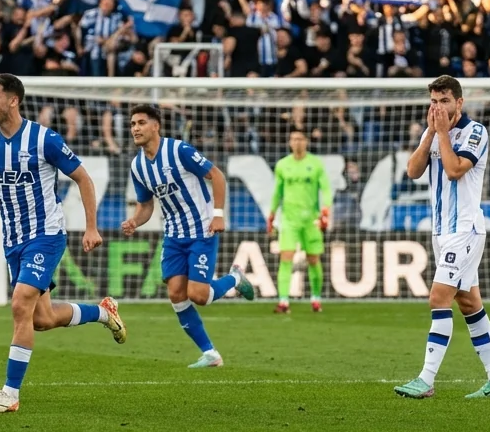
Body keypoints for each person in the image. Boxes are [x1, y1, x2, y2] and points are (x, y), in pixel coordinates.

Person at [0, 73, 125, 413]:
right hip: (12, 239)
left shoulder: (44, 139)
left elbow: (83, 178)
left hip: (45, 234)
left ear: (13, 100)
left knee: (19, 305)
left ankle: (10, 394)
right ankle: (103, 312)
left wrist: (91, 227)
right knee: (41, 319)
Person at [395, 76, 490, 399]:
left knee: (438, 298)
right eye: (433, 101)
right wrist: (432, 132)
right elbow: (413, 171)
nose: (438, 107)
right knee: (469, 302)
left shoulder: (476, 132)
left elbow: (454, 169)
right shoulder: (432, 132)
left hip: (466, 230)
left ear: (459, 102)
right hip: (441, 232)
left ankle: (426, 379)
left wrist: (442, 133)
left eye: (444, 100)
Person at [121, 105, 255, 368]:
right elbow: (146, 205)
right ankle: (210, 354)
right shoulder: (138, 166)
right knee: (176, 294)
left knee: (199, 295)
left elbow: (216, 175)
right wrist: (134, 221)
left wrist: (218, 214)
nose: (135, 128)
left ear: (156, 126)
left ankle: (234, 279)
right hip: (173, 235)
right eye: (132, 124)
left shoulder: (179, 150)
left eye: (141, 122)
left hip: (201, 229)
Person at [267, 130, 333, 314]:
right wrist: (271, 214)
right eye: (293, 139)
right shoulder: (282, 165)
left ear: (306, 141)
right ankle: (283, 301)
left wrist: (326, 210)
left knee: (313, 259)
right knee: (286, 257)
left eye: (300, 139)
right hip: (289, 219)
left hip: (310, 220)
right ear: (289, 142)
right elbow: (277, 192)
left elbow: (326, 189)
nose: (297, 142)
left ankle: (316, 298)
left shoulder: (316, 164)